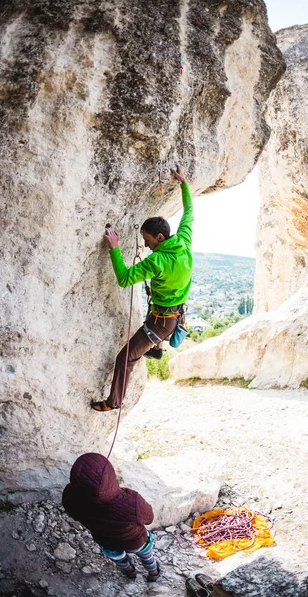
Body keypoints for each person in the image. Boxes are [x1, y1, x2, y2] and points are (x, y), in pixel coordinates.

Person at [91, 164, 193, 412]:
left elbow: (125, 279)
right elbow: (189, 210)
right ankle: (156, 348)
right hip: (171, 313)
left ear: (159, 237)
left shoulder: (157, 260)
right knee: (145, 341)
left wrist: (114, 248)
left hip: (161, 321)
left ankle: (113, 402)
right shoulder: (183, 239)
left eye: (148, 241)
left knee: (125, 358)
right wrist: (183, 182)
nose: (146, 247)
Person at [62, 452, 160, 581]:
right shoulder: (132, 501)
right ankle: (153, 573)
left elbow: (74, 515)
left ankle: (130, 571)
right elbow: (149, 519)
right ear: (111, 475)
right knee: (147, 556)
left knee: (119, 559)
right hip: (135, 541)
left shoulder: (69, 497)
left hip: (106, 541)